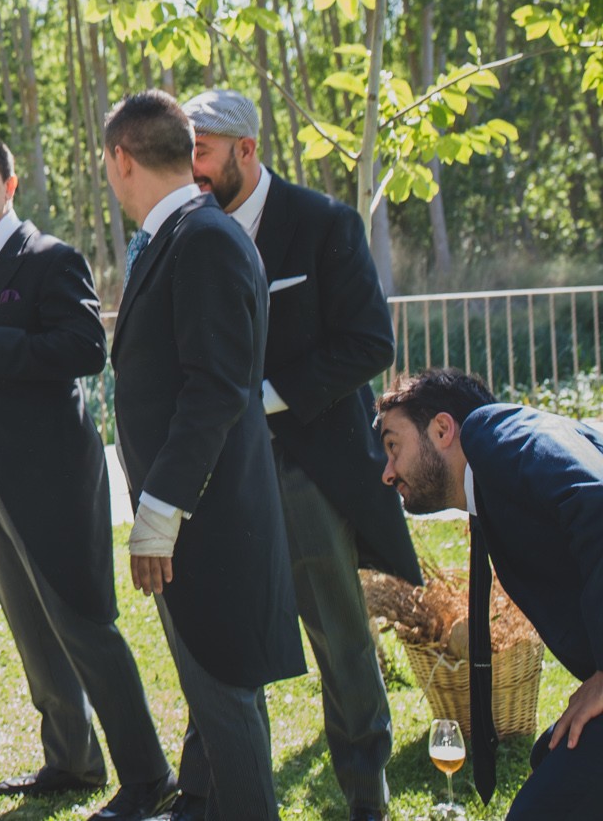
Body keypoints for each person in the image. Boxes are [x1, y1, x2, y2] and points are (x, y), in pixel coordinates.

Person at [184, 90, 418, 821]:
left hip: (307, 466)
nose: (189, 168)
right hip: (217, 475)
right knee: (215, 629)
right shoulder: (190, 232)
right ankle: (208, 791)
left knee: (340, 639)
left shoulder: (323, 224)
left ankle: (363, 790)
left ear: (244, 151)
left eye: (199, 151)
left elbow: (370, 343)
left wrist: (264, 397)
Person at [0, 132, 175, 821]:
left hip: (50, 479)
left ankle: (148, 774)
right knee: (30, 626)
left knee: (84, 624)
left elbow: (84, 349)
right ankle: (71, 758)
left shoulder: (50, 257)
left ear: (9, 185)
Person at [102, 90, 305, 821]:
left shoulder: (204, 237)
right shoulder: (183, 233)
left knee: (225, 697)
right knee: (210, 691)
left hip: (206, 517)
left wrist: (160, 507)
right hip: (195, 513)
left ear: (121, 158)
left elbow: (216, 388)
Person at [376, 368, 603, 819]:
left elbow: (596, 502)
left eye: (392, 446)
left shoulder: (496, 431)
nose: (387, 473)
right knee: (548, 758)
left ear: (442, 429)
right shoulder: (499, 475)